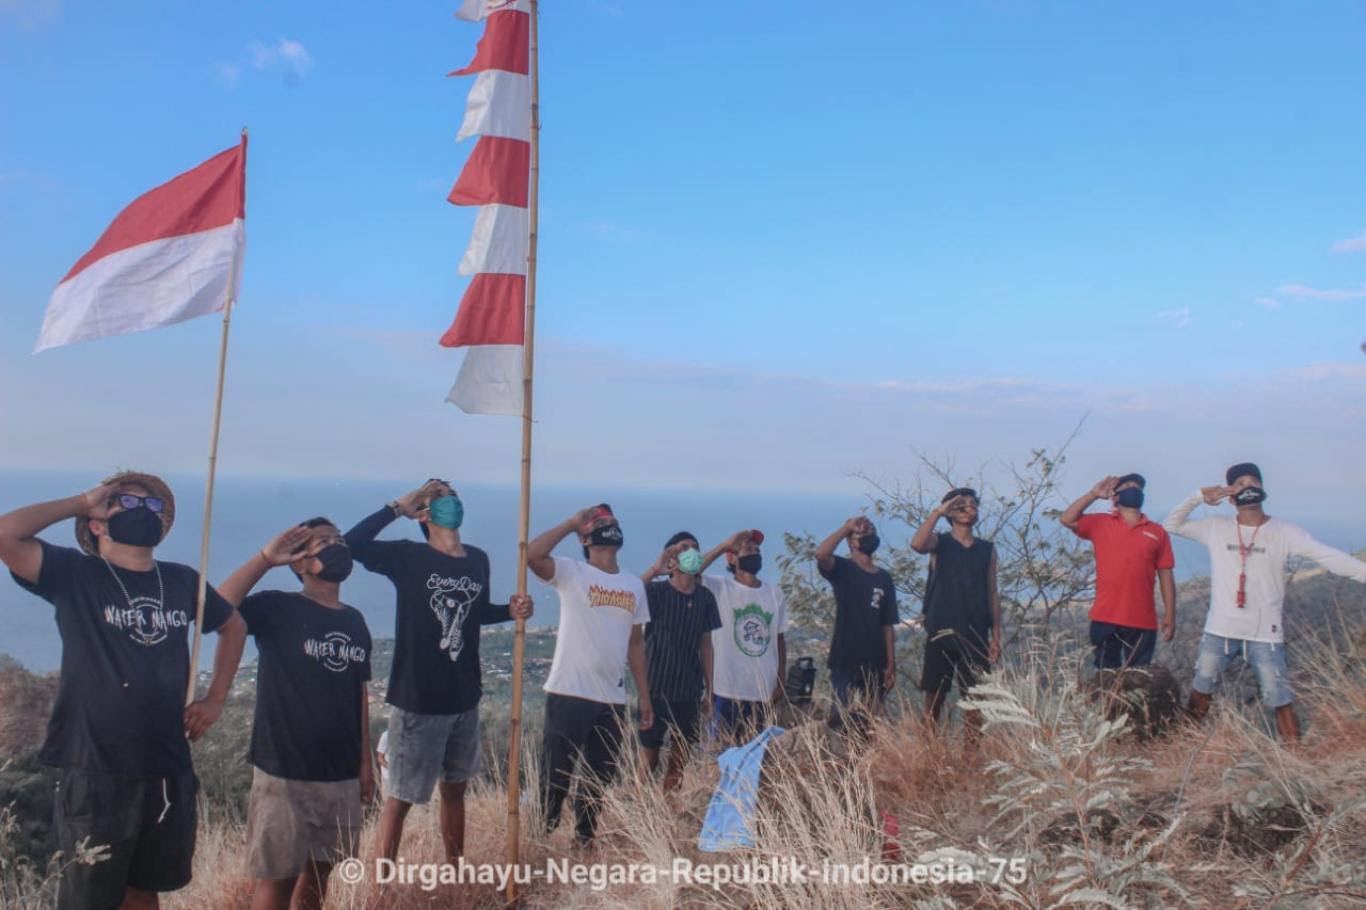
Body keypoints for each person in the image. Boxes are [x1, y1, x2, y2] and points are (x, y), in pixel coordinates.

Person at [0, 471, 246, 910]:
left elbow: (233, 625)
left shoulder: (182, 580)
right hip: (95, 767)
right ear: (97, 523)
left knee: (144, 889)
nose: (144, 512)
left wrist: (215, 700)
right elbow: (6, 534)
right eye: (126, 505)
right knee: (87, 898)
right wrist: (80, 501)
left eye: (151, 506)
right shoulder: (75, 575)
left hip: (166, 765)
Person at [344, 480, 532, 865]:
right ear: (425, 514)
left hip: (464, 697)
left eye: (453, 494)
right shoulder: (407, 557)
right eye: (441, 497)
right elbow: (352, 546)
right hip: (418, 700)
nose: (453, 501)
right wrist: (398, 506)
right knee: (399, 799)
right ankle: (381, 887)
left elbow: (474, 614)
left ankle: (453, 870)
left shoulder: (477, 559)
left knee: (455, 790)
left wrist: (508, 611)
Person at [216, 519, 374, 910]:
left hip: (339, 773)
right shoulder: (279, 607)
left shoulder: (354, 621)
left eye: (339, 540)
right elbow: (218, 605)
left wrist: (365, 765)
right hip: (283, 770)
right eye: (323, 542)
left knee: (320, 876)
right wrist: (265, 559)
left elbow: (358, 694)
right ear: (300, 563)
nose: (337, 546)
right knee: (278, 881)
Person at [1164, 462, 1366, 742]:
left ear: (1262, 487)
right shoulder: (1215, 527)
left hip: (1265, 634)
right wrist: (1199, 496)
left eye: (1253, 481)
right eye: (1240, 483)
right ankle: (1184, 745)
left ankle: (1294, 756)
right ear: (1230, 497)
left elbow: (1328, 557)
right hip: (1220, 630)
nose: (1249, 486)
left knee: (1279, 698)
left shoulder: (1284, 531)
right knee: (1201, 690)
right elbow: (1172, 524)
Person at [527, 504, 652, 845]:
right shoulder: (572, 572)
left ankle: (584, 839)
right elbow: (533, 555)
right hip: (569, 691)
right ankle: (540, 839)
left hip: (612, 697)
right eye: (599, 522)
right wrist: (570, 523)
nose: (608, 524)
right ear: (585, 538)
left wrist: (644, 696)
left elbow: (636, 644)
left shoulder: (633, 586)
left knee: (600, 776)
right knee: (556, 775)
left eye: (612, 520)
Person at [1060, 474, 1177, 670]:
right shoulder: (1100, 523)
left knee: (1139, 681)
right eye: (1128, 486)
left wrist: (1170, 614)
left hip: (1143, 620)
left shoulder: (1158, 532)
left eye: (1138, 487)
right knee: (1106, 679)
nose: (1134, 489)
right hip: (1105, 616)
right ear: (1115, 497)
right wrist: (1094, 494)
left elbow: (1166, 574)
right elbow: (1067, 518)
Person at [909, 490, 1001, 734]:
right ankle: (928, 752)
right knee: (934, 698)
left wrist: (997, 635)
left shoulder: (987, 549)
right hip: (941, 630)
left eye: (973, 504)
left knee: (976, 699)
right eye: (962, 505)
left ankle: (970, 761)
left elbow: (992, 592)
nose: (969, 508)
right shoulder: (940, 543)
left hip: (975, 632)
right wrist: (939, 512)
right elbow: (917, 544)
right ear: (951, 512)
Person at [638, 532, 721, 789]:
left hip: (689, 690)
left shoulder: (705, 598)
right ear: (671, 558)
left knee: (679, 759)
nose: (692, 552)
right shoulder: (655, 592)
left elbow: (706, 644)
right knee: (648, 758)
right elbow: (627, 595)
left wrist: (710, 688)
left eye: (695, 548)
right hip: (656, 688)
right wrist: (655, 569)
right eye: (684, 548)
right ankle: (638, 807)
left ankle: (670, 809)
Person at [697, 530, 788, 742]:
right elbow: (689, 573)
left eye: (757, 549)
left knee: (755, 757)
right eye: (747, 549)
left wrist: (781, 680)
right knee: (719, 753)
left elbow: (780, 640)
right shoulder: (719, 587)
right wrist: (723, 546)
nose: (755, 552)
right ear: (733, 558)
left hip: (762, 692)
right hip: (725, 689)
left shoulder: (775, 594)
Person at [815, 516, 899, 737]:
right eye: (861, 532)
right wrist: (846, 528)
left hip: (875, 660)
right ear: (851, 542)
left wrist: (891, 662)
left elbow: (888, 623)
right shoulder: (843, 569)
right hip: (845, 656)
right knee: (837, 714)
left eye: (871, 530)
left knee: (873, 717)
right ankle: (834, 758)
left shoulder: (884, 578)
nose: (868, 534)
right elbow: (821, 554)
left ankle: (868, 758)